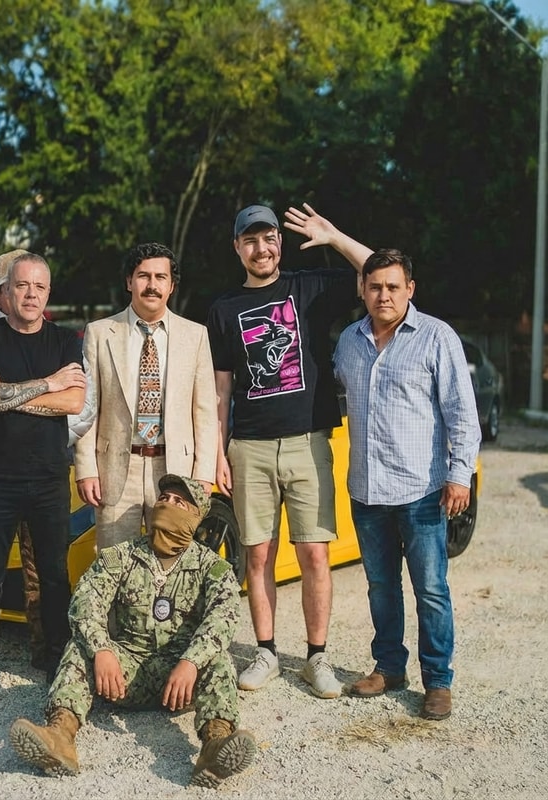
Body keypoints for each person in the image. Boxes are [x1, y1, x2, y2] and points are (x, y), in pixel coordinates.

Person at [206, 203, 373, 697]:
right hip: (249, 447)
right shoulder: (223, 309)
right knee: (258, 555)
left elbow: (381, 274)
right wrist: (218, 451)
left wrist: (334, 235)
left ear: (280, 242)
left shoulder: (311, 288)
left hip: (308, 442)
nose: (261, 248)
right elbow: (220, 390)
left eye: (269, 238)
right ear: (237, 248)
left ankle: (316, 657)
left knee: (315, 555)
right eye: (250, 240)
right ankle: (267, 652)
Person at [9, 473, 256, 789]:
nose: (167, 504)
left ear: (195, 517)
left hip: (181, 682)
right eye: (164, 498)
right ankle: (60, 736)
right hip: (124, 676)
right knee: (79, 646)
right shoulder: (123, 555)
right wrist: (102, 650)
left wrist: (191, 661)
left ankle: (214, 746)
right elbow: (86, 600)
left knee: (219, 659)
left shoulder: (211, 566)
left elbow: (224, 616)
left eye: (179, 502)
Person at [334, 248, 481, 721]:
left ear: (410, 289)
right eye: (375, 286)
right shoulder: (349, 342)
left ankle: (437, 680)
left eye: (393, 287)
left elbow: (462, 413)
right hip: (367, 491)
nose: (384, 295)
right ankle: (389, 668)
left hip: (421, 491)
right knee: (381, 586)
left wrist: (459, 475)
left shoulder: (437, 337)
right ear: (363, 290)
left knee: (431, 589)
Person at [0, 250, 94, 663]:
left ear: (48, 293)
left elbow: (75, 402)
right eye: (22, 285)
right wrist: (48, 384)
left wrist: (5, 393)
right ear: (5, 292)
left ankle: (53, 661)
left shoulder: (65, 341)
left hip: (48, 479)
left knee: (53, 576)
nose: (30, 294)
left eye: (39, 287)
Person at [75, 242, 218, 549]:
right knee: (113, 565)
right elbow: (88, 409)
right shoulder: (99, 333)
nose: (152, 285)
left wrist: (203, 476)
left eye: (160, 277)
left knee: (171, 564)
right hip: (115, 470)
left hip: (175, 470)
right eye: (143, 276)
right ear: (129, 281)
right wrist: (86, 470)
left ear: (172, 286)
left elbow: (206, 412)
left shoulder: (195, 335)